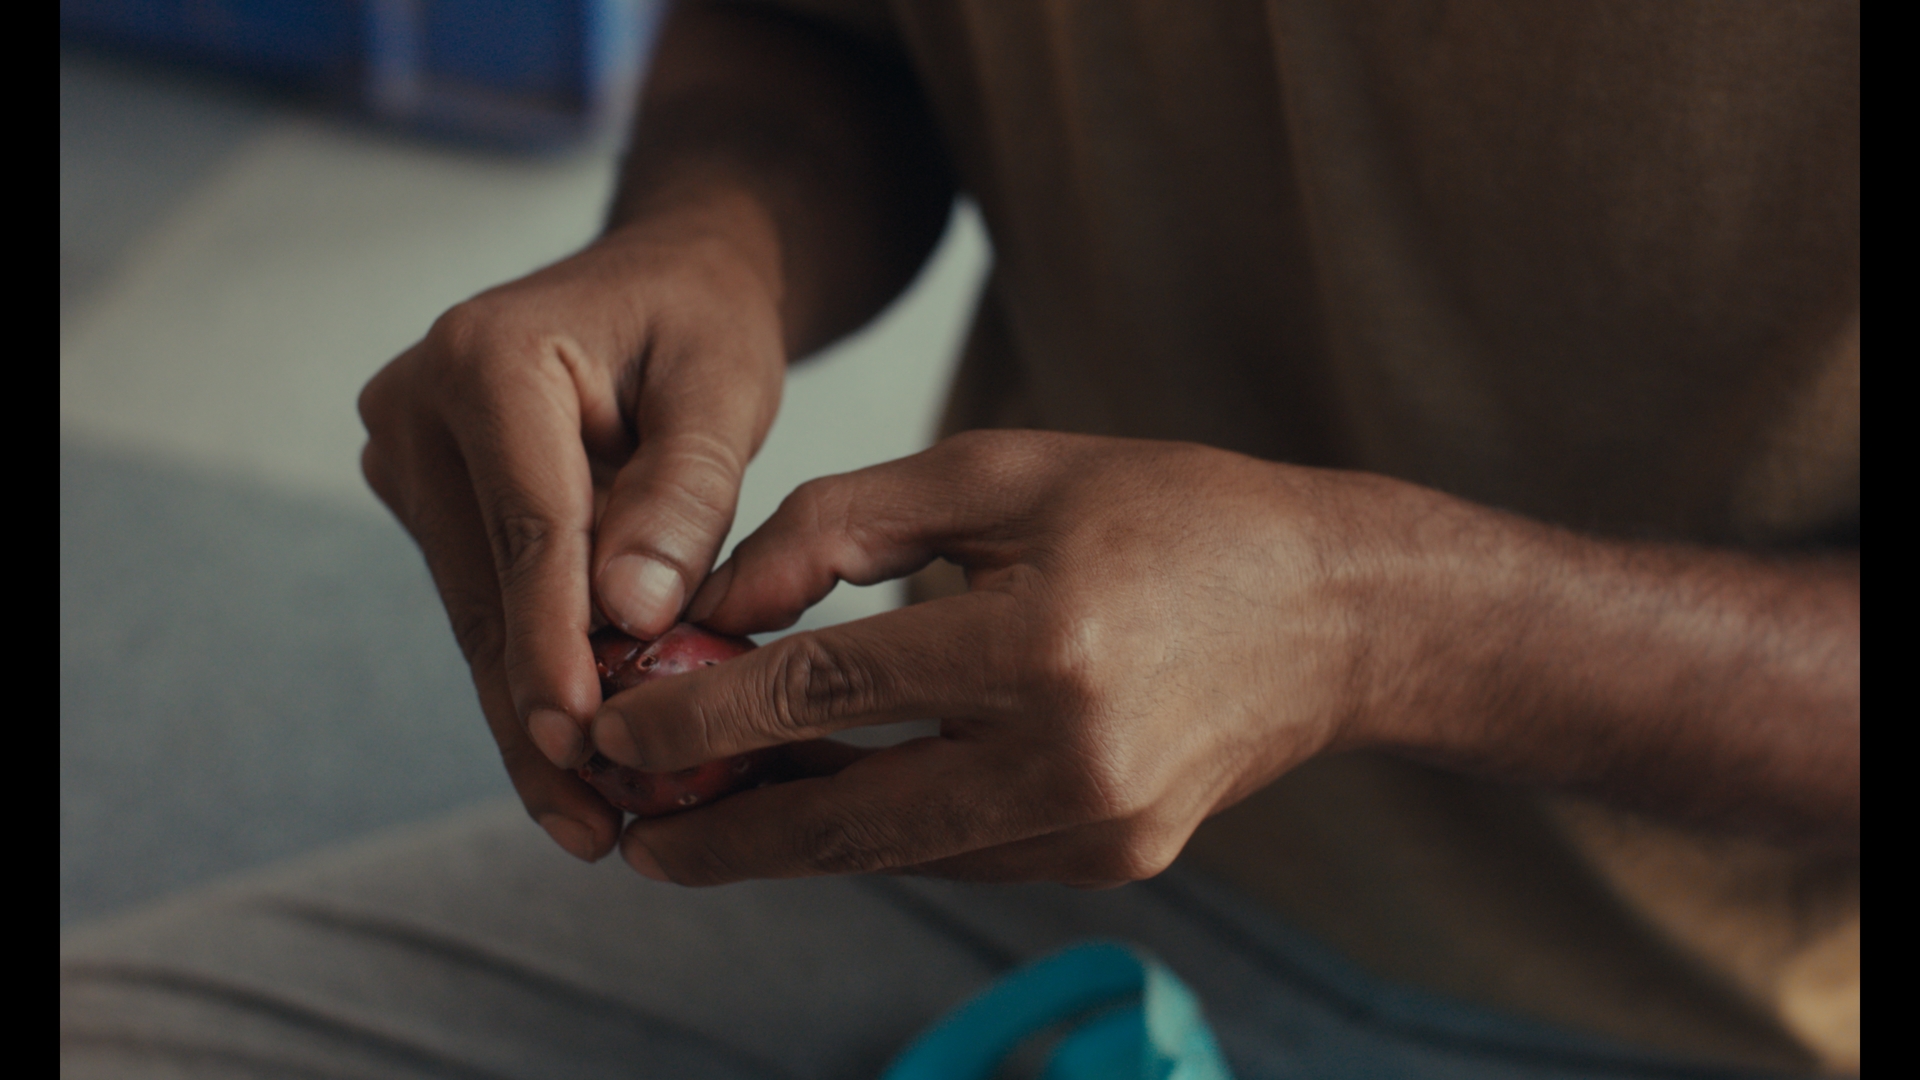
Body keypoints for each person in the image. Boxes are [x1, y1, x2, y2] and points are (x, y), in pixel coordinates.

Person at [62, 0, 1858, 1076]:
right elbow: (821, 34)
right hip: (983, 835)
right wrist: (715, 230)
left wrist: (1374, 624)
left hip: (1693, 1010)